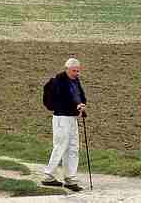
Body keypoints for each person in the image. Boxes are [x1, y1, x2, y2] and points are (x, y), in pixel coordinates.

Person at [42, 57, 86, 192]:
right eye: (74, 71)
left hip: (72, 118)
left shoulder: (75, 81)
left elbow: (80, 96)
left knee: (73, 148)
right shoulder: (58, 82)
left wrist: (82, 104)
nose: (77, 73)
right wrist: (76, 105)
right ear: (67, 69)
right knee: (60, 146)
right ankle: (48, 176)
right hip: (61, 118)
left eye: (78, 71)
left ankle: (70, 178)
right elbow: (61, 99)